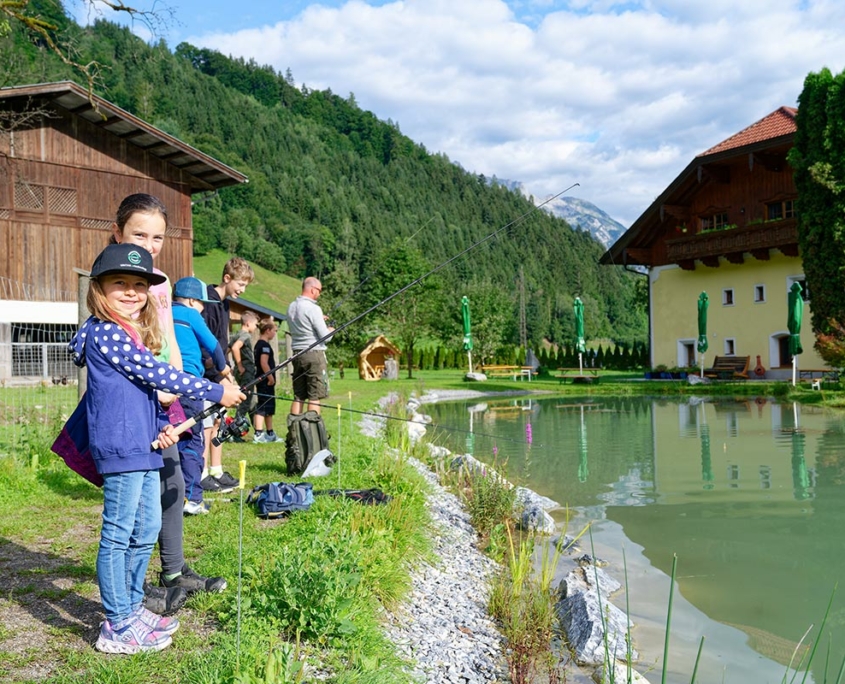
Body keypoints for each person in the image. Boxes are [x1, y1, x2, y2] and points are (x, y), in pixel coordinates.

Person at [69, 243, 243, 654]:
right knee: (118, 534)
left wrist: (164, 426)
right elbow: (155, 373)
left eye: (138, 285)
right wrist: (216, 389)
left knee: (146, 528)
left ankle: (131, 606)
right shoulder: (105, 331)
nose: (131, 292)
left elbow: (142, 389)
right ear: (99, 289)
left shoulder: (127, 330)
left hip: (144, 443)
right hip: (122, 448)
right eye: (120, 283)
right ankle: (117, 624)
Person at [111, 193, 229, 613]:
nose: (148, 243)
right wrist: (158, 387)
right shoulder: (116, 278)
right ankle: (132, 589)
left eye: (157, 236)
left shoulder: (159, 280)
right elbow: (126, 347)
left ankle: (175, 572)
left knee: (174, 482)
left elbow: (170, 344)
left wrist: (182, 389)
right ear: (118, 232)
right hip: (135, 397)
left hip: (168, 395)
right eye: (139, 233)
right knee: (137, 496)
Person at [171, 276, 233, 514]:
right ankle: (192, 499)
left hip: (165, 382)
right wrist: (222, 367)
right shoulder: (190, 315)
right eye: (201, 303)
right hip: (190, 384)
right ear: (189, 300)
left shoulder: (164, 314)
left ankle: (170, 494)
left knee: (172, 436)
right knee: (193, 439)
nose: (204, 308)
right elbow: (214, 344)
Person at [200, 257, 255, 493]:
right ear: (227, 278)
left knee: (219, 419)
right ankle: (201, 474)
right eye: (240, 284)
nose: (242, 290)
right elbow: (204, 343)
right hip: (206, 373)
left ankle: (216, 470)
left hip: (220, 369)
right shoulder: (208, 302)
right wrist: (217, 372)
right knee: (205, 423)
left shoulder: (224, 303)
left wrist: (227, 369)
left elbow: (221, 343)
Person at [286, 277, 335, 415]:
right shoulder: (313, 308)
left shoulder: (291, 307)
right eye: (319, 290)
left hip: (297, 353)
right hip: (314, 355)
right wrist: (331, 329)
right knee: (314, 396)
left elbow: (304, 323)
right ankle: (312, 432)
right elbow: (326, 337)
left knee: (299, 396)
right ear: (313, 289)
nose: (319, 294)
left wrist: (319, 318)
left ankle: (295, 430)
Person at [229, 310, 259, 434]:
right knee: (245, 401)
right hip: (246, 371)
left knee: (252, 401)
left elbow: (228, 349)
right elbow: (235, 347)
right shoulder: (245, 336)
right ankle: (234, 430)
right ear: (248, 323)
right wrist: (240, 365)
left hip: (241, 372)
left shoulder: (237, 334)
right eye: (255, 324)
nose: (256, 327)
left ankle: (258, 431)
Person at [252, 322, 279, 443]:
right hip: (264, 380)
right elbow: (264, 362)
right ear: (267, 330)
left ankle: (270, 432)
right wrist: (270, 377)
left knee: (269, 405)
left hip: (264, 380)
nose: (275, 333)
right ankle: (258, 433)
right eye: (274, 330)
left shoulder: (260, 344)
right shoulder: (264, 346)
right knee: (263, 405)